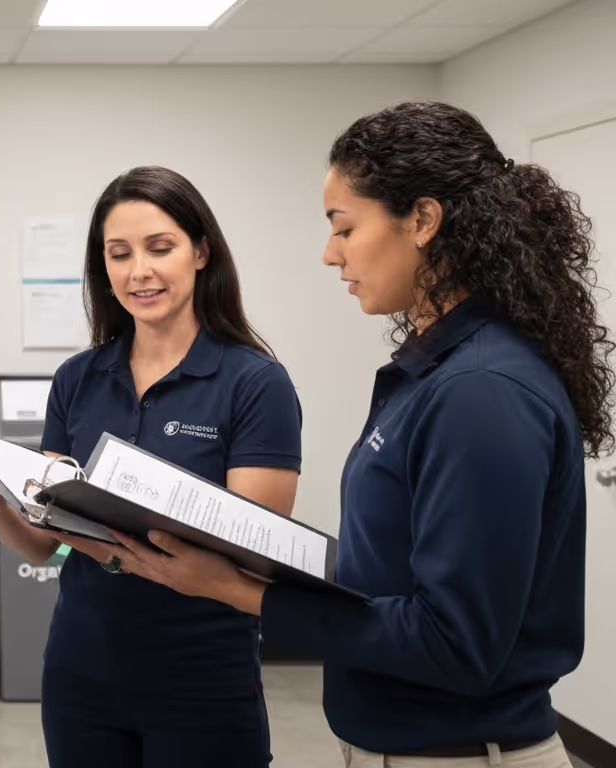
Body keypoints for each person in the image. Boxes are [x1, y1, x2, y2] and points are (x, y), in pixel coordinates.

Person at [109, 101, 608, 768]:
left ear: (423, 220)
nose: (328, 253)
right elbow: (399, 567)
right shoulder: (439, 370)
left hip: (461, 753)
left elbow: (453, 643)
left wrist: (235, 589)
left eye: (344, 228)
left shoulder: (481, 392)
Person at [0, 166, 303, 766]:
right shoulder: (77, 379)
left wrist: (114, 547)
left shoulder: (255, 383)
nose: (139, 272)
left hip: (201, 675)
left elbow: (253, 551)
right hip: (82, 671)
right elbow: (38, 541)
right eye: (119, 253)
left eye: (160, 248)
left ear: (201, 251)